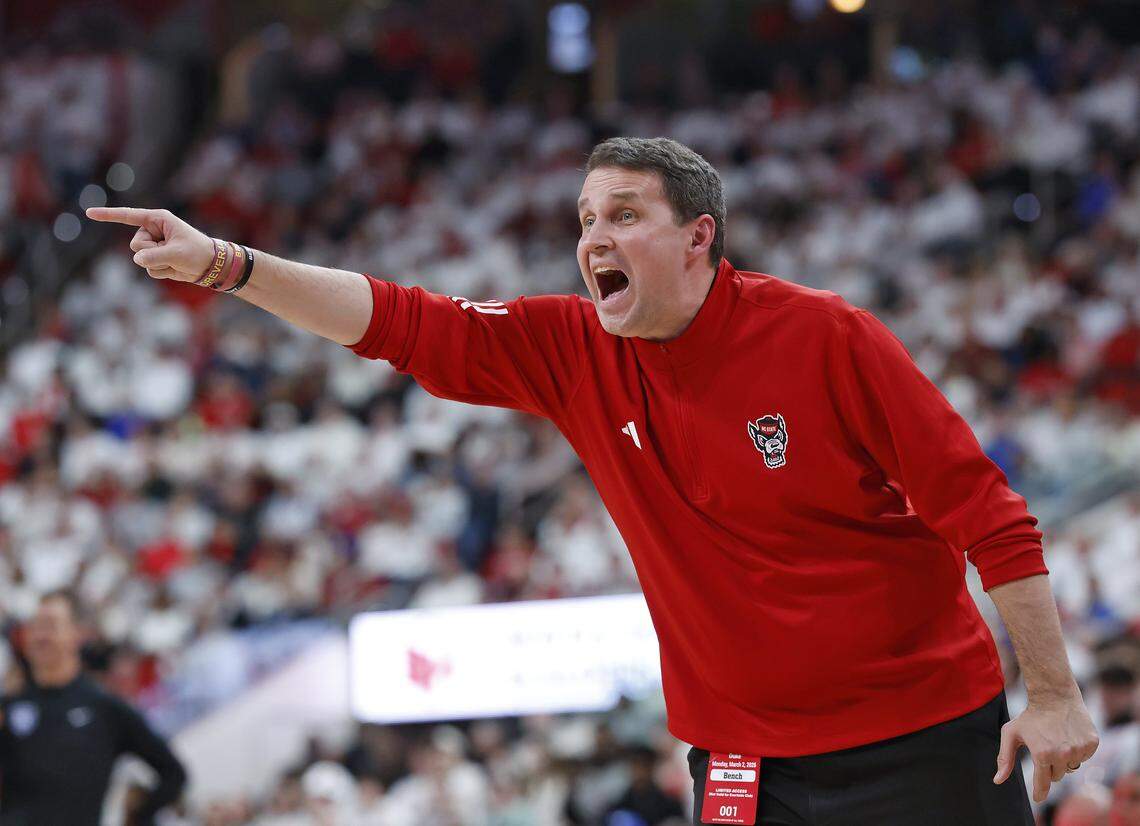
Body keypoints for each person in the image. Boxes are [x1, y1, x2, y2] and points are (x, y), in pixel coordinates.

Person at [87, 135, 1099, 825]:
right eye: (584, 219)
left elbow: (989, 513)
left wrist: (1053, 693)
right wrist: (225, 264)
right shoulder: (572, 349)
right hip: (745, 763)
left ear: (699, 236)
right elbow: (399, 320)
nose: (593, 239)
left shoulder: (826, 335)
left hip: (922, 739)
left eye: (624, 214)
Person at [0, 591, 187, 825]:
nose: (40, 635)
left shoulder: (105, 708)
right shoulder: (10, 706)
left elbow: (173, 773)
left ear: (78, 633)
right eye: (34, 626)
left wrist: (138, 817)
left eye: (50, 625)